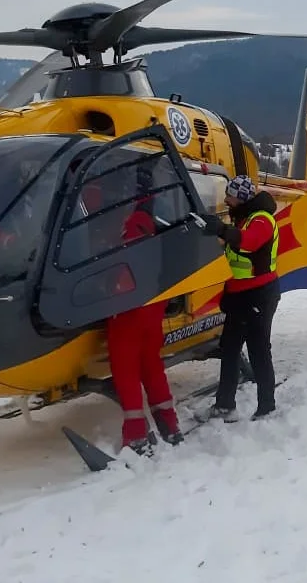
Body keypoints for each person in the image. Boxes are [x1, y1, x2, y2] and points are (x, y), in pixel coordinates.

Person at [105, 170, 182, 454]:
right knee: (151, 365)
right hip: (152, 306)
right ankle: (169, 424)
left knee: (126, 370)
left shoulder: (132, 224)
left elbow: (123, 271)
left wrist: (105, 291)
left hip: (129, 309)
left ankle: (136, 433)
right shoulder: (154, 222)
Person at [198, 174, 281, 422]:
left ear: (242, 197)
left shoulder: (262, 219)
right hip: (239, 296)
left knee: (258, 351)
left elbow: (250, 243)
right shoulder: (242, 217)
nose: (226, 199)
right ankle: (225, 406)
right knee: (230, 350)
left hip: (258, 296)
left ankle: (267, 406)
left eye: (230, 194)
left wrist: (223, 230)